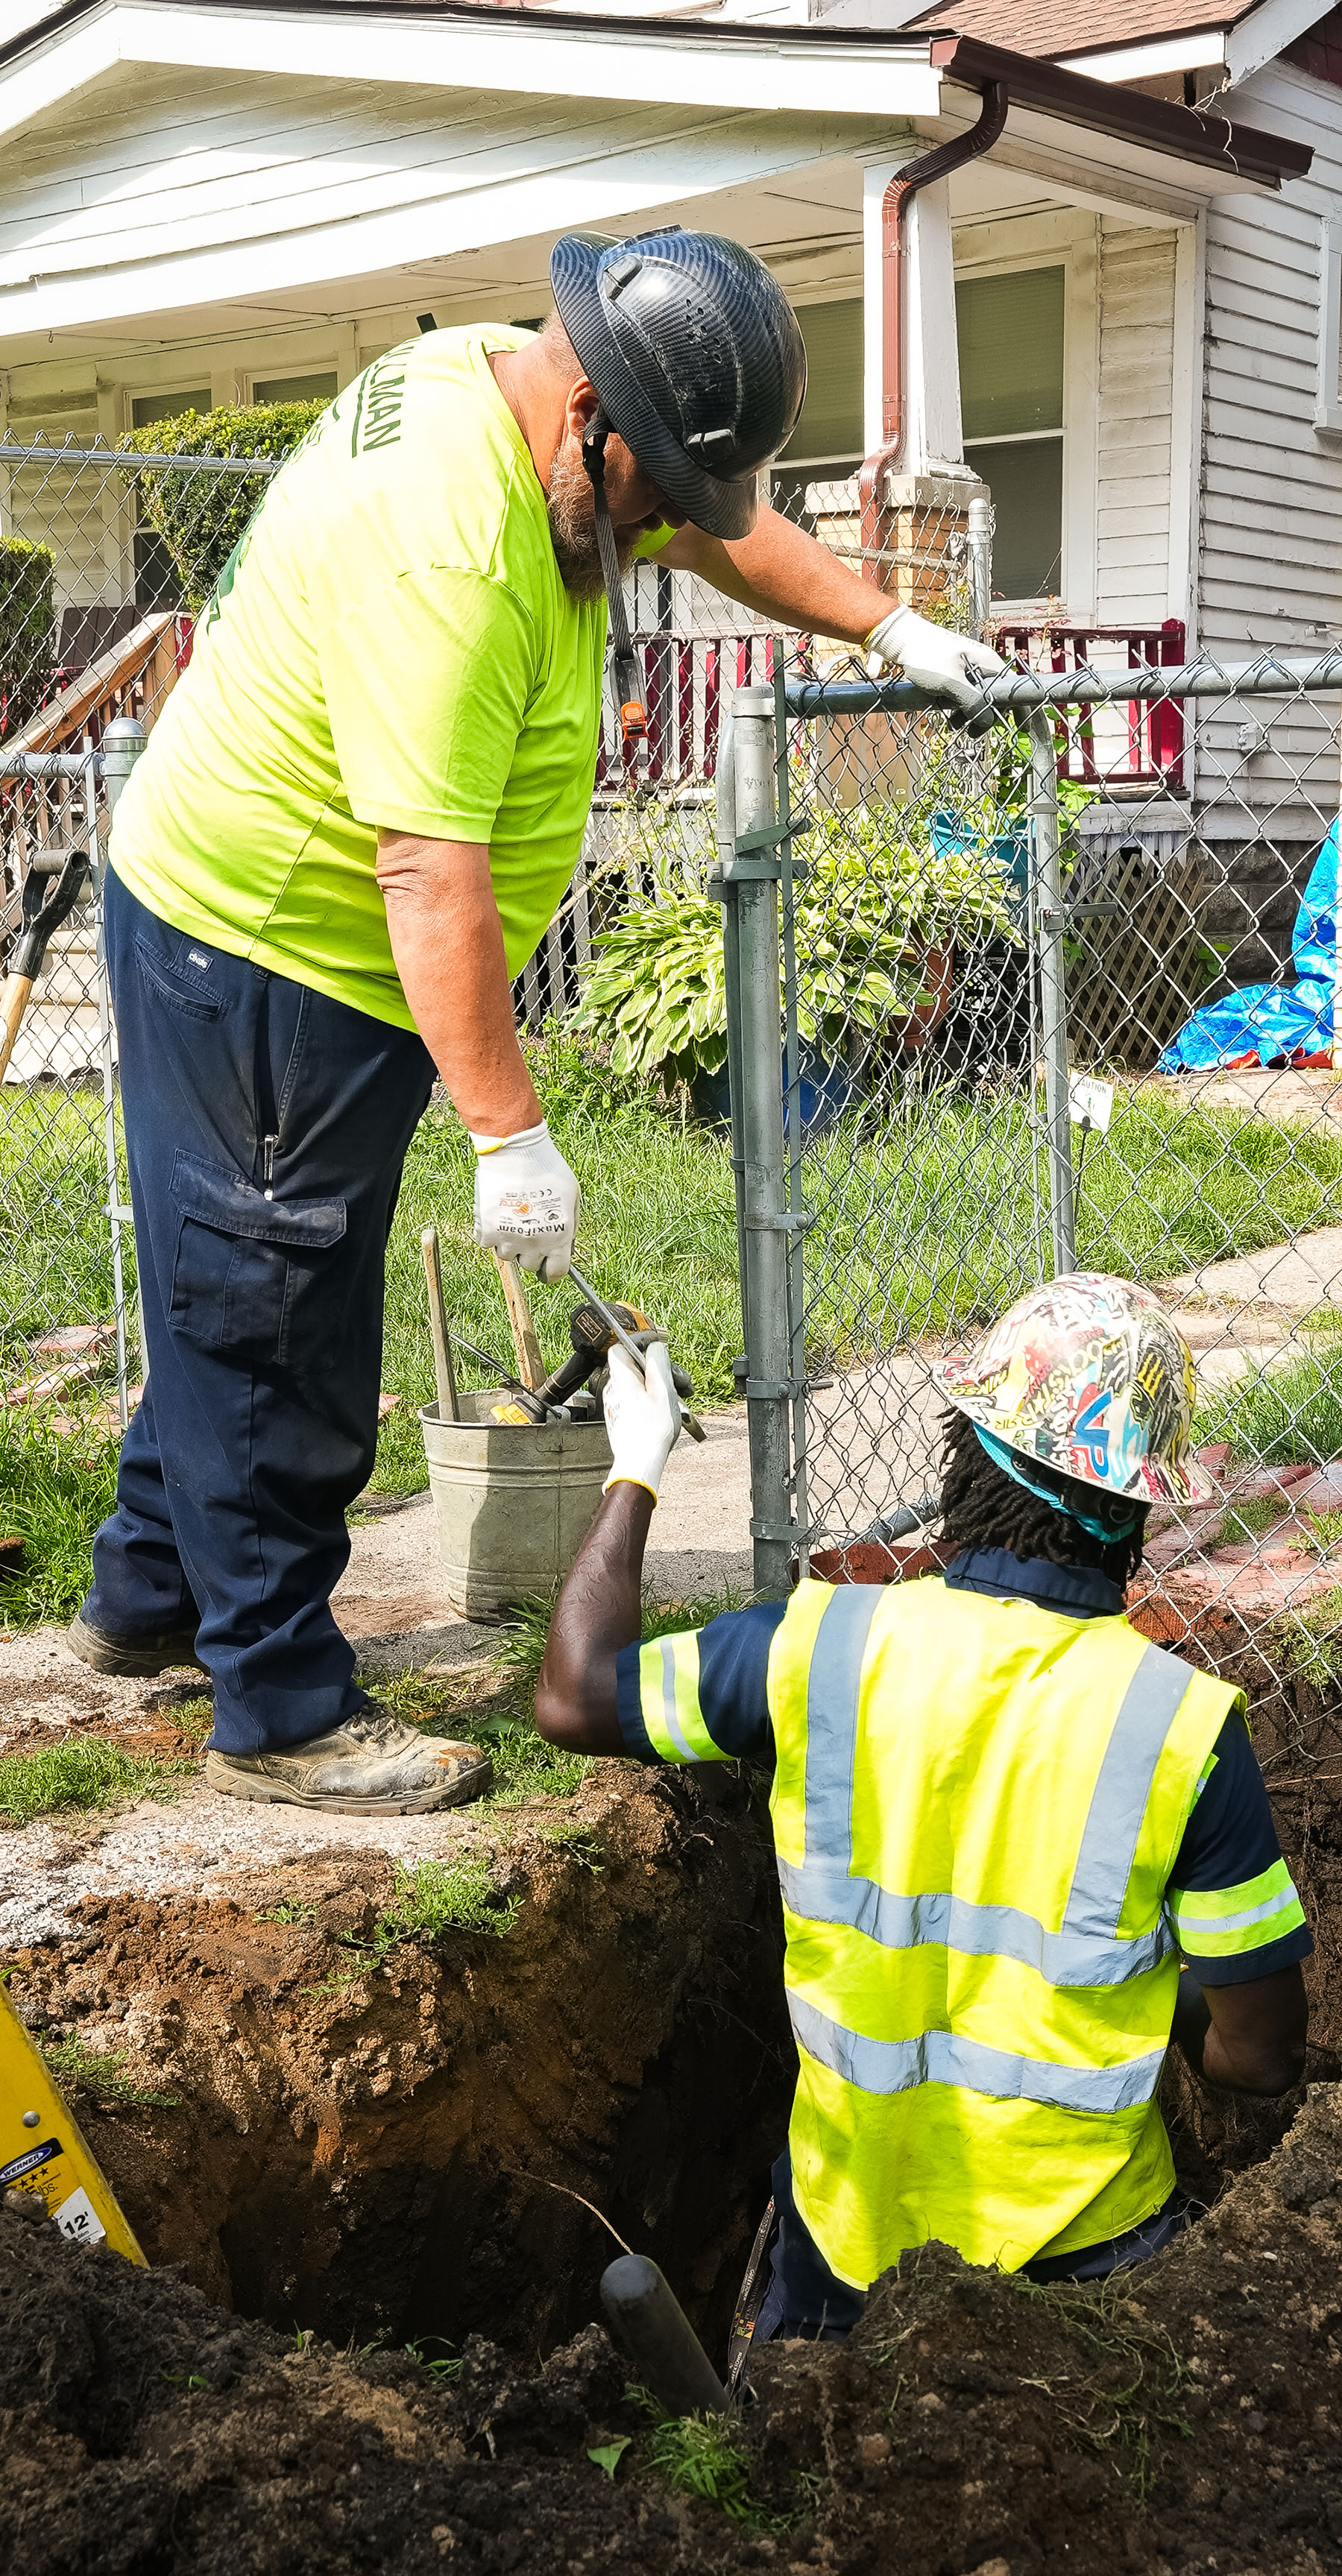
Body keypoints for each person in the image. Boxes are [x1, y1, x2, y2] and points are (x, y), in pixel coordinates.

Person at [70, 227, 1011, 1813]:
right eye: (653, 493)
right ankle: (279, 1709)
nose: (658, 534)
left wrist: (883, 626)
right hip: (274, 942)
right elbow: (428, 870)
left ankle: (149, 1598)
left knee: (245, 1279)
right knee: (271, 1303)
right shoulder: (443, 543)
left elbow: (725, 534)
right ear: (593, 409)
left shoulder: (509, 389)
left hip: (286, 934)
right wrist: (513, 1136)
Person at [535, 1273, 1311, 2349]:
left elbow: (573, 1691)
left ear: (963, 1451)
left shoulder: (815, 1647)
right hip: (1094, 2267)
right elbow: (1263, 2057)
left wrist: (636, 1460)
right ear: (1138, 1503)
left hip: (848, 2247)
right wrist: (1151, 1992)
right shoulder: (1181, 1727)